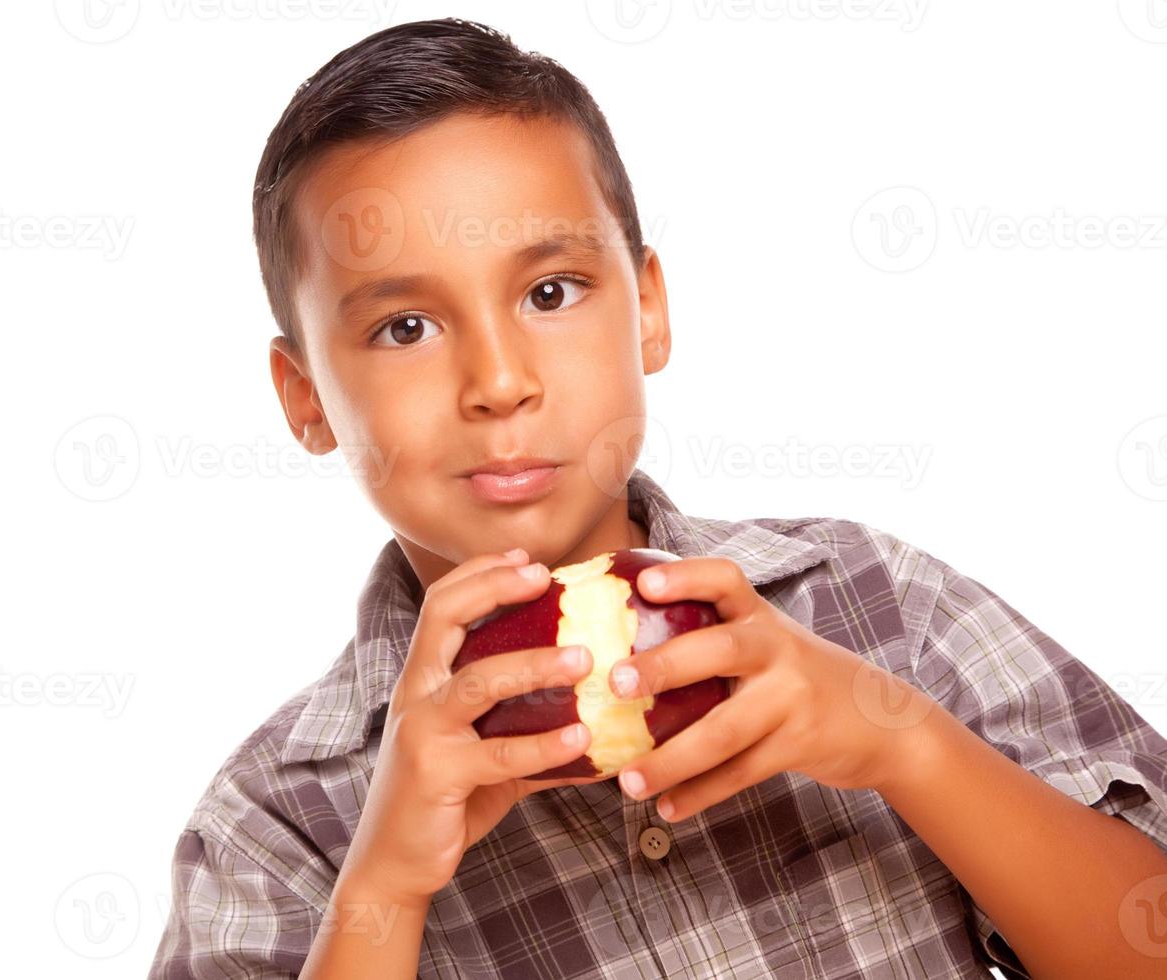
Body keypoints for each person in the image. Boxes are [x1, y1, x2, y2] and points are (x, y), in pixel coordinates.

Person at [149, 18, 1167, 979]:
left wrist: (901, 740)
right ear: (305, 397)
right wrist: (382, 887)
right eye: (405, 327)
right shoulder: (273, 823)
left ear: (648, 309)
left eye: (550, 293)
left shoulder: (872, 605)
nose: (499, 381)